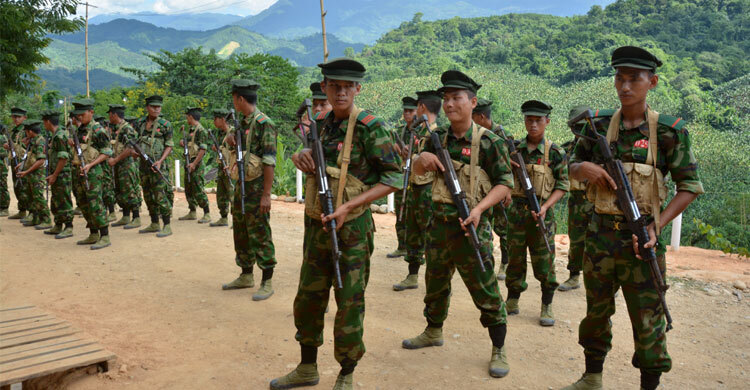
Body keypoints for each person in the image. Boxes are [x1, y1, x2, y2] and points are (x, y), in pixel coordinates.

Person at [561, 46, 704, 390]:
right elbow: (566, 166)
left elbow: (690, 186)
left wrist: (658, 226)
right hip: (599, 238)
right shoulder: (595, 125)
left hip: (642, 243)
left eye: (634, 79)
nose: (625, 87)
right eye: (620, 79)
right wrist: (584, 168)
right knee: (596, 313)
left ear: (651, 82)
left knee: (648, 322)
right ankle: (592, 376)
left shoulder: (669, 132)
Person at [270, 58, 402, 390]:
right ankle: (307, 367)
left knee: (349, 302)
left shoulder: (373, 128)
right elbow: (315, 161)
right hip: (317, 224)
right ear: (325, 87)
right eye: (334, 86)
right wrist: (301, 158)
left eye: (348, 87)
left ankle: (346, 374)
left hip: (353, 230)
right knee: (309, 297)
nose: (341, 92)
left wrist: (349, 206)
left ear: (358, 88)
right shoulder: (321, 124)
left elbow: (394, 179)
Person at [401, 70, 514, 378]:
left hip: (471, 228)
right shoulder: (434, 138)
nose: (450, 104)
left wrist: (479, 209)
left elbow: (505, 184)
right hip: (438, 226)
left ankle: (498, 348)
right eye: (446, 98)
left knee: (485, 289)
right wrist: (421, 159)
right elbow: (414, 169)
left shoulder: (489, 142)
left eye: (457, 98)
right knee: (435, 283)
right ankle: (433, 330)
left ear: (472, 102)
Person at [504, 100, 569, 327]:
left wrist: (545, 207)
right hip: (516, 214)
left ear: (547, 122)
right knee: (515, 259)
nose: (533, 125)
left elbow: (563, 185)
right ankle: (512, 300)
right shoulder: (515, 150)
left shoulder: (555, 153)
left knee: (544, 262)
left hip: (542, 214)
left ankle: (546, 304)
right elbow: (503, 177)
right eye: (529, 120)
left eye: (538, 121)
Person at [221, 80, 277, 301]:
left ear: (240, 99)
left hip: (256, 188)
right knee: (241, 230)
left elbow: (269, 161)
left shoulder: (264, 123)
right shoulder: (241, 123)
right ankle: (246, 274)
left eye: (234, 98)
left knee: (260, 232)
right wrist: (232, 140)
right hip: (242, 186)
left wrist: (266, 195)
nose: (234, 102)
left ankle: (267, 279)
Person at [392, 89, 440, 291]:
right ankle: (412, 275)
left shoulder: (438, 135)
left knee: (431, 234)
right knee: (413, 232)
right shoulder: (417, 132)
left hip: (430, 192)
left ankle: (437, 278)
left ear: (421, 107)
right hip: (413, 188)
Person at [471, 98, 511, 280]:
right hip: (482, 189)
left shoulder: (500, 135)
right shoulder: (475, 135)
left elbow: (512, 167)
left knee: (504, 228)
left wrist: (507, 190)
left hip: (500, 189)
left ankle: (505, 263)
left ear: (480, 116)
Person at [558, 105, 594, 292]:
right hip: (577, 200)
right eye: (576, 127)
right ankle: (574, 276)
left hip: (597, 202)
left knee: (599, 241)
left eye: (583, 127)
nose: (580, 132)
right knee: (577, 239)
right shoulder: (566, 149)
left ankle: (600, 280)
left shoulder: (600, 148)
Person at [70, 99, 113, 249]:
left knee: (95, 203)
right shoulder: (80, 130)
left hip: (93, 172)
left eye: (82, 114)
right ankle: (93, 233)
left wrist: (91, 165)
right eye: (78, 115)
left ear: (91, 112)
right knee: (83, 203)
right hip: (79, 170)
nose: (79, 118)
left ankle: (104, 235)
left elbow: (107, 152)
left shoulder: (97, 130)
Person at [135, 95, 174, 237]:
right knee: (147, 195)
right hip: (144, 165)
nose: (157, 109)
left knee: (160, 195)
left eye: (159, 107)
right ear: (147, 107)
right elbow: (136, 141)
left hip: (158, 165)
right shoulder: (139, 123)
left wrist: (161, 160)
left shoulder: (165, 124)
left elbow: (169, 145)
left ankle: (167, 225)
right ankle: (154, 222)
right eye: (153, 106)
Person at [386, 96, 418, 259]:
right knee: (400, 210)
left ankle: (418, 249)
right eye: (405, 111)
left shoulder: (421, 131)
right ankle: (402, 245)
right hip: (402, 175)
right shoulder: (401, 131)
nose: (407, 114)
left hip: (417, 179)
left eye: (410, 111)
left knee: (416, 215)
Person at [107, 104, 143, 230]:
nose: (109, 117)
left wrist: (115, 160)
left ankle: (136, 217)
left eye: (110, 114)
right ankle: (126, 216)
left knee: (130, 190)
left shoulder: (127, 129)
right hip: (119, 164)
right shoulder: (118, 128)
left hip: (126, 164)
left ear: (114, 115)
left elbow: (130, 148)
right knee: (122, 191)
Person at [40, 110, 74, 238]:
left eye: (44, 122)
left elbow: (63, 158)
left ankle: (69, 226)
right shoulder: (55, 135)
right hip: (56, 172)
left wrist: (55, 175)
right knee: (56, 200)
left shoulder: (60, 136)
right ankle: (58, 224)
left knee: (64, 199)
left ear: (48, 122)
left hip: (62, 174)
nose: (44, 125)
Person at [15, 119, 52, 229]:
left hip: (37, 174)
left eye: (26, 131)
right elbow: (31, 156)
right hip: (31, 173)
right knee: (32, 197)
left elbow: (40, 160)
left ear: (30, 131)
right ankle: (36, 218)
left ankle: (46, 220)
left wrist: (26, 171)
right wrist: (22, 163)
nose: (26, 134)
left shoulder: (40, 141)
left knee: (38, 197)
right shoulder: (33, 141)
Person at [178, 107, 211, 224]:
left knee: (198, 188)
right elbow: (188, 144)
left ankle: (207, 213)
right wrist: (183, 143)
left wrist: (194, 164)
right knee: (188, 187)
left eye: (187, 117)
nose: (186, 119)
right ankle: (192, 211)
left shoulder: (201, 131)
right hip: (188, 162)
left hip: (196, 163)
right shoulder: (191, 130)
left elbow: (202, 149)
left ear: (191, 117)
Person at [208, 108, 233, 227]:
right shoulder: (219, 133)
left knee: (232, 194)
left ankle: (237, 220)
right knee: (221, 194)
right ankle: (223, 217)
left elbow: (237, 151)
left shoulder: (232, 133)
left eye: (215, 119)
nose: (214, 121)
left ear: (223, 119)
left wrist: (231, 165)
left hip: (231, 167)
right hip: (221, 166)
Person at [5, 107, 29, 220]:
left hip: (23, 161)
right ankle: (22, 209)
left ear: (25, 117)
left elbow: (28, 146)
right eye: (14, 117)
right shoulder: (15, 131)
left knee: (24, 186)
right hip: (15, 160)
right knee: (17, 186)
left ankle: (31, 211)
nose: (16, 119)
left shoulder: (26, 130)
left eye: (18, 117)